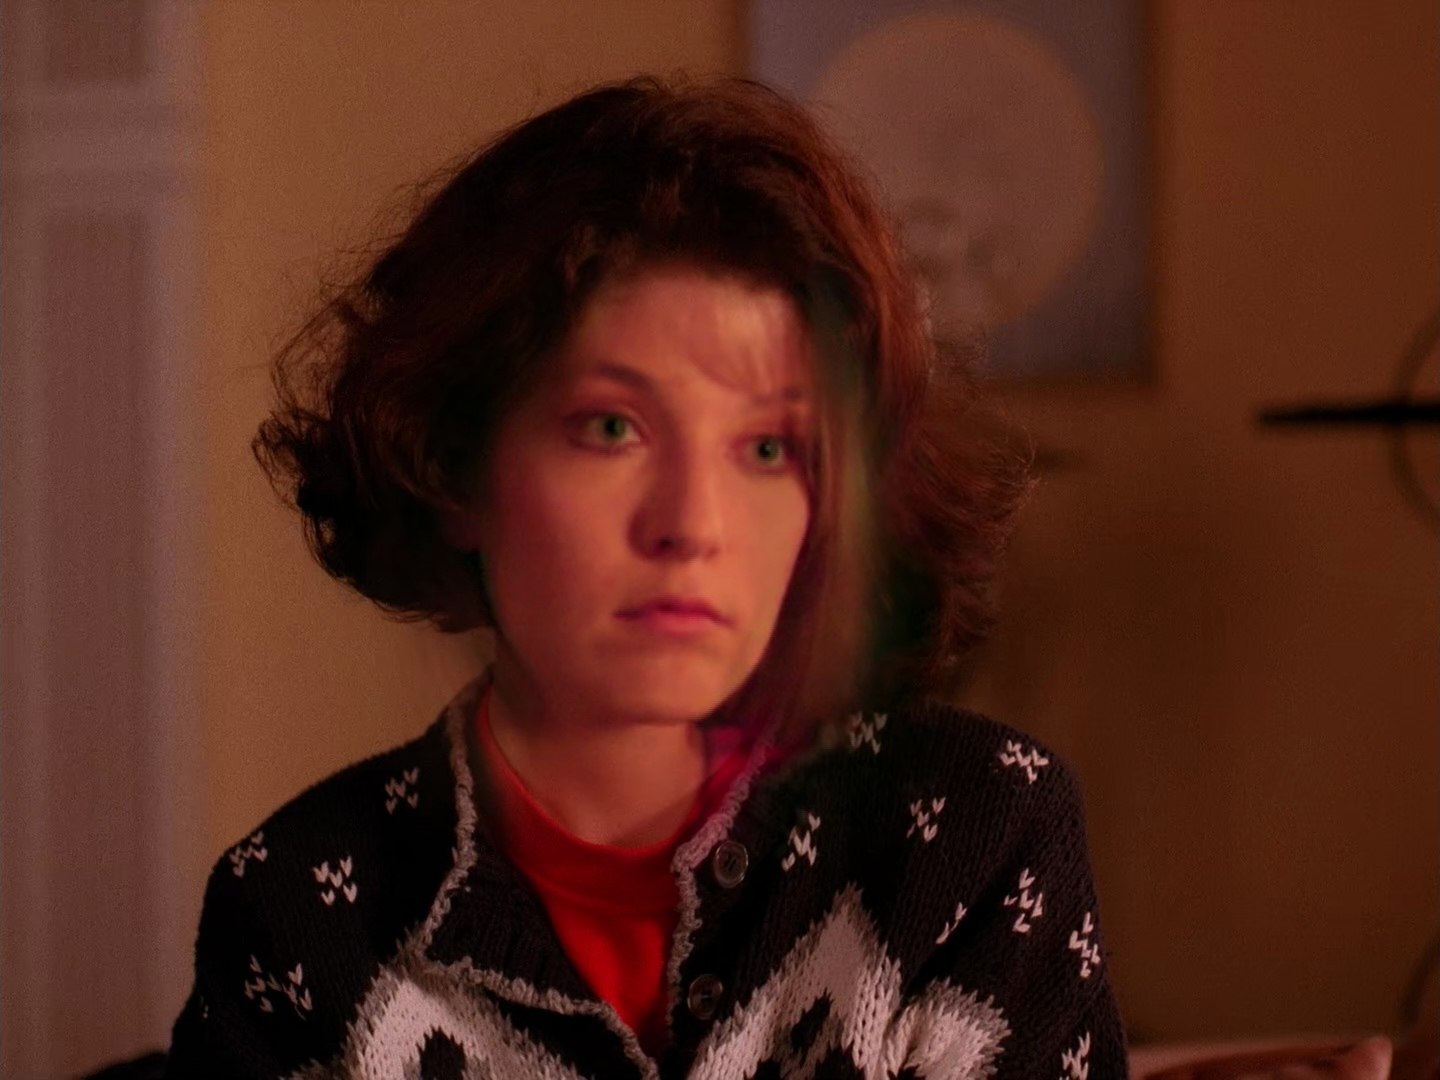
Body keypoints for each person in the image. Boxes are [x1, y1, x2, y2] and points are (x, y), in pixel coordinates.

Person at [165, 75, 1126, 1079]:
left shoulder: (975, 836)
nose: (693, 526)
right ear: (453, 470)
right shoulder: (297, 913)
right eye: (611, 428)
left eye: (768, 449)